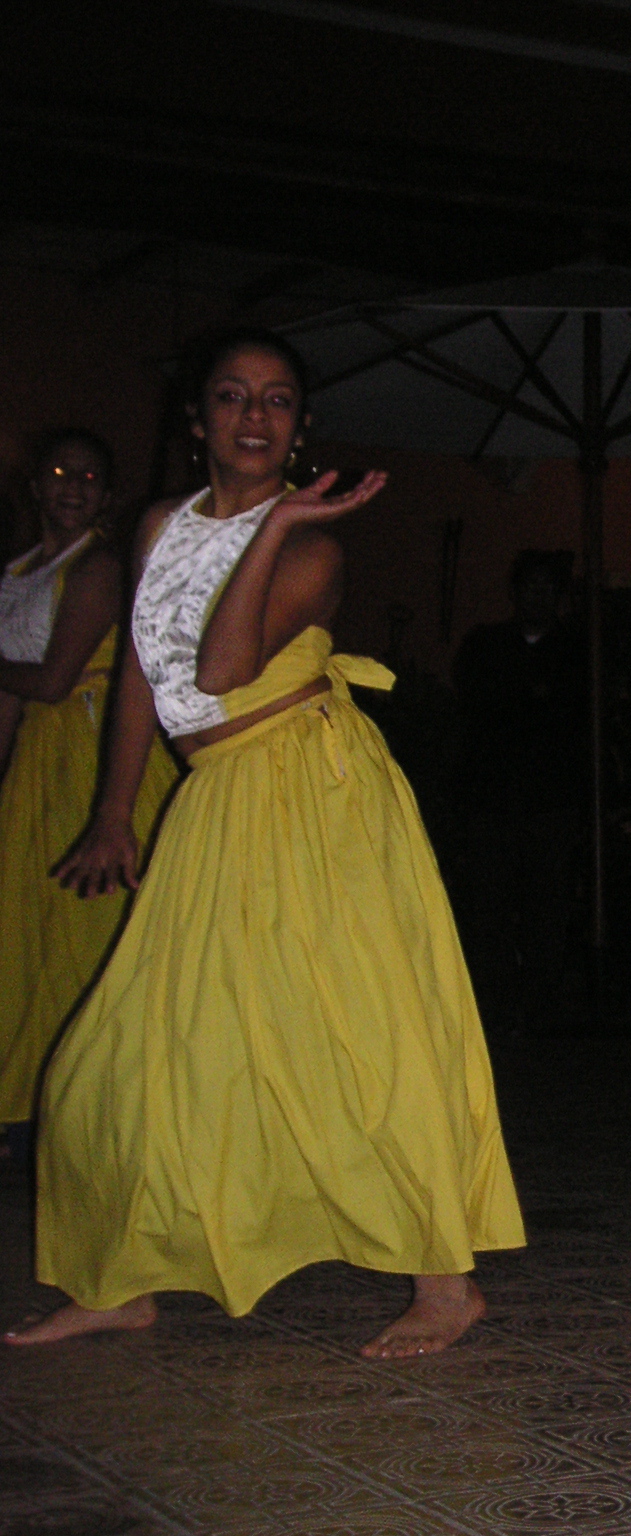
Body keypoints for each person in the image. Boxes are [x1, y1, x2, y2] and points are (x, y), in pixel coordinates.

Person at [5, 328, 524, 1358]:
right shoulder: (155, 522)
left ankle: (445, 1282)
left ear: (299, 427)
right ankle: (123, 1274)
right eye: (233, 397)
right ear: (196, 420)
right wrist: (114, 812)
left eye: (278, 400)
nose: (254, 416)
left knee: (368, 1030)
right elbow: (146, 681)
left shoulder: (317, 548)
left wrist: (279, 522)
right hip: (214, 794)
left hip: (313, 791)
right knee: (131, 1046)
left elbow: (225, 659)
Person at [0, 430, 180, 1153]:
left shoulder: (100, 565)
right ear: (35, 487)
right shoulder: (17, 570)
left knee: (90, 931)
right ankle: (31, 1100)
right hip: (38, 763)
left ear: (107, 496)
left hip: (94, 753)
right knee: (25, 930)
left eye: (89, 477)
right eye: (58, 473)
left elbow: (50, 677)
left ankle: (103, 1098)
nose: (72, 486)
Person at [452, 548, 585, 1034]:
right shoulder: (486, 646)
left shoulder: (575, 651)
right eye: (532, 587)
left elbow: (572, 717)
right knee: (489, 908)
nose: (540, 597)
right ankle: (491, 1006)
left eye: (549, 588)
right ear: (515, 593)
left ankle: (541, 1007)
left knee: (546, 911)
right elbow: (478, 709)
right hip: (492, 802)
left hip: (551, 804)